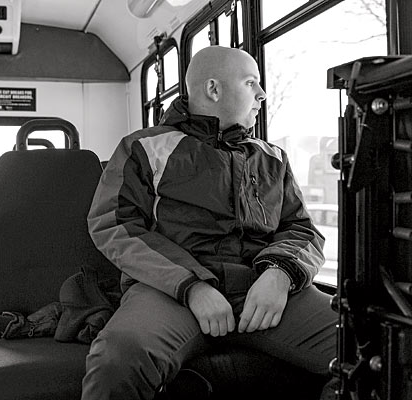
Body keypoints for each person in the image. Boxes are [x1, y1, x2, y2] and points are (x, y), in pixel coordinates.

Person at [82, 45, 337, 399]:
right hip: (170, 290)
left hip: (261, 285)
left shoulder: (272, 158)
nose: (262, 95)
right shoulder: (144, 148)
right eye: (251, 83)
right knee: (118, 357)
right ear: (214, 89)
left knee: (375, 347)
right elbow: (115, 226)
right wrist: (192, 286)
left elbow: (302, 229)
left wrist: (280, 274)